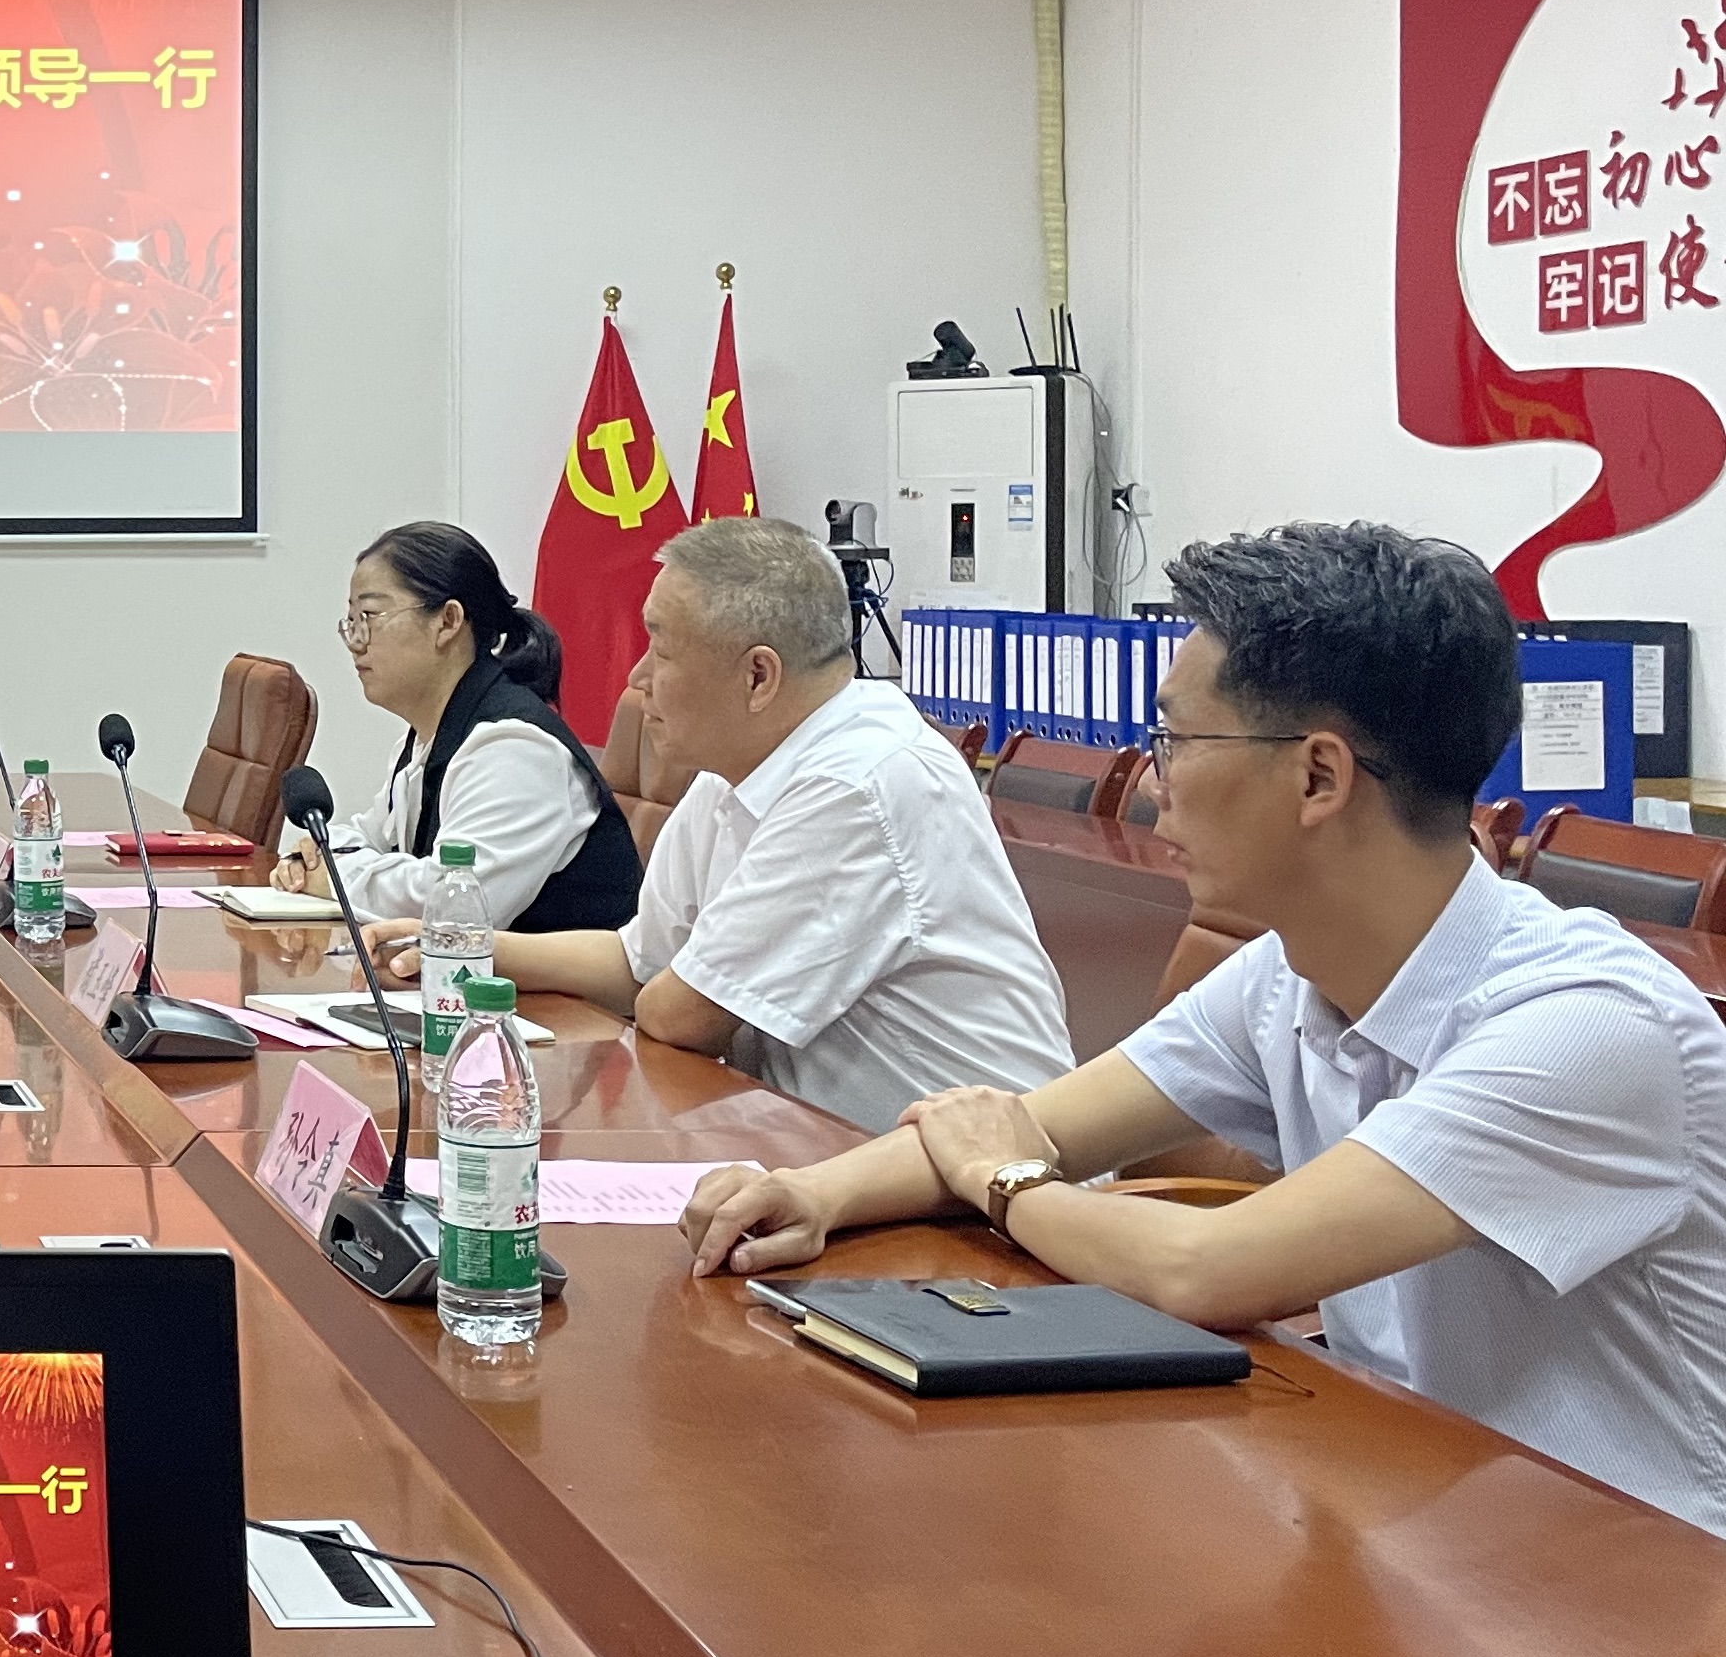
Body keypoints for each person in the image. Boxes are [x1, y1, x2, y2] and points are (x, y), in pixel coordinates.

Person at [685, 520, 1726, 1538]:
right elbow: (1037, 1122)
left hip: (1641, 1586)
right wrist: (813, 1195)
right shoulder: (1289, 972)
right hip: (1414, 1513)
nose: (1155, 781)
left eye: (1176, 740)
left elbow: (1201, 1266)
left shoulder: (1584, 1027)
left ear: (1318, 777)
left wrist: (1006, 1183)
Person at [386, 516, 1070, 1132]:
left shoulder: (858, 782)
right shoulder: (734, 769)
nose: (638, 678)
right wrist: (465, 946)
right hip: (827, 1152)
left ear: (758, 677)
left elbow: (682, 1013)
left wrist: (661, 986)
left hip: (989, 1188)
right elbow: (639, 962)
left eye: (661, 650)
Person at [270, 521, 641, 933]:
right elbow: (368, 838)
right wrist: (311, 858)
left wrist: (337, 879)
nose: (356, 642)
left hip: (548, 978)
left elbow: (455, 901)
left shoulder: (515, 750)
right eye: (351, 621)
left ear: (447, 621)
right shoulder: (424, 739)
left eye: (370, 617)